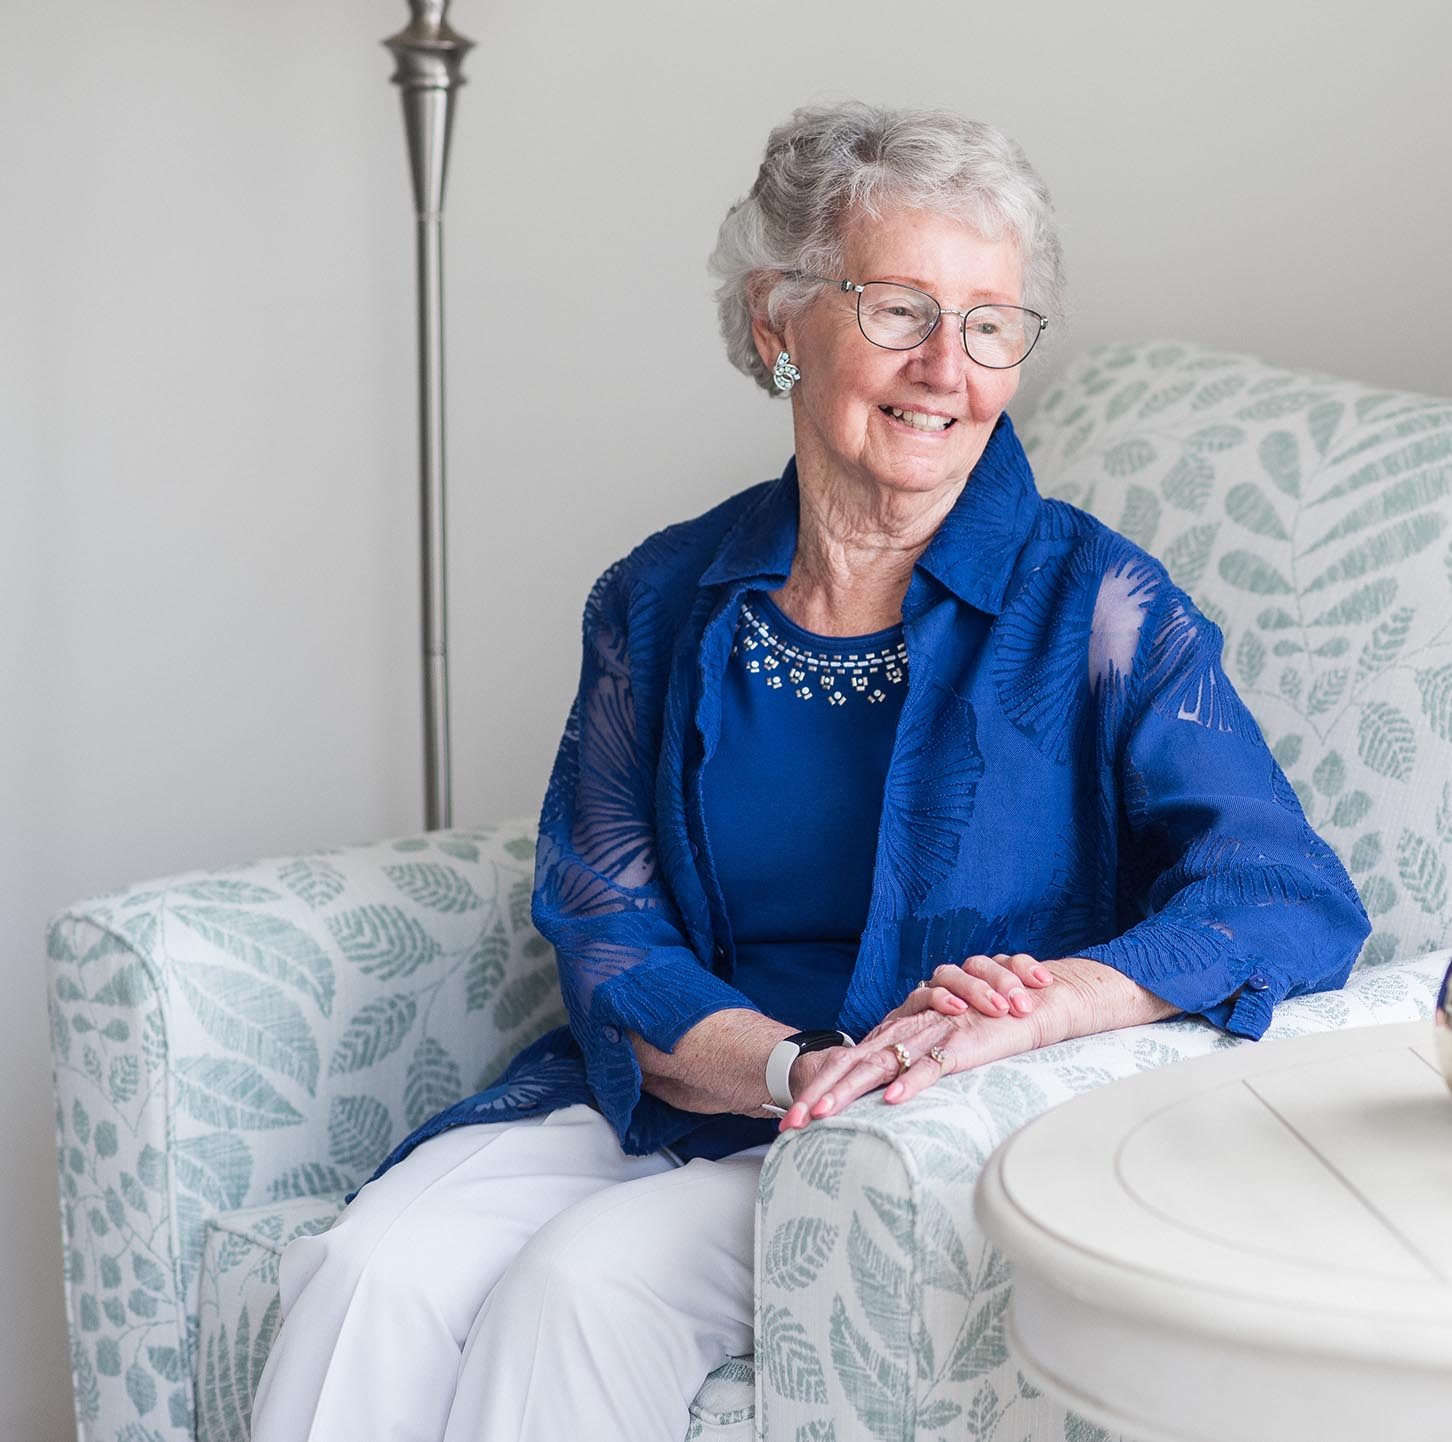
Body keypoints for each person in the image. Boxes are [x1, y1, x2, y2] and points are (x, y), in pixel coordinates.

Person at [250, 100, 1369, 1442]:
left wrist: (1054, 1003)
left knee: (581, 1288)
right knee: (365, 1272)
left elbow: (1287, 894)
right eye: (900, 308)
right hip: (707, 1086)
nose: (947, 366)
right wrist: (784, 1065)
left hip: (906, 1137)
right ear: (780, 321)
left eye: (992, 322)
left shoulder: (1096, 603)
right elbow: (607, 927)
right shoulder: (660, 599)